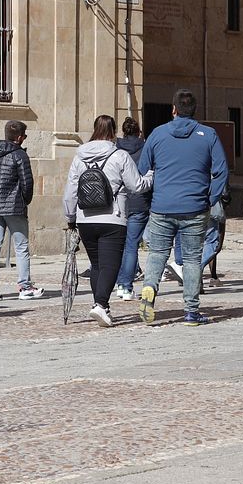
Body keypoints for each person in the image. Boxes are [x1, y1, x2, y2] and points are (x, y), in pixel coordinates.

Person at [137, 89, 229, 326]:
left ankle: (149, 289)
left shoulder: (157, 134)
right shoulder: (209, 135)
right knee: (191, 259)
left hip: (162, 206)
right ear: (194, 110)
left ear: (174, 110)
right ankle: (191, 311)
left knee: (157, 253)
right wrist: (211, 197)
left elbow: (143, 167)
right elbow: (221, 170)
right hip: (195, 206)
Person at [63, 115, 152, 327]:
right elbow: (137, 185)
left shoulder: (79, 157)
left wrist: (70, 218)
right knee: (110, 265)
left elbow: (70, 193)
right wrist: (151, 175)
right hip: (113, 218)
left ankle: (100, 305)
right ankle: (101, 305)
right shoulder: (119, 155)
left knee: (97, 265)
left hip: (85, 219)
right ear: (113, 131)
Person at [0, 120, 44, 302]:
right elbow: (27, 183)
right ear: (18, 137)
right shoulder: (19, 155)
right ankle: (25, 287)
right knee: (21, 247)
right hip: (14, 206)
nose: (24, 139)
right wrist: (25, 200)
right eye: (24, 136)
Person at [114, 117, 151, 301]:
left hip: (119, 202)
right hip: (139, 202)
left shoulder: (116, 148)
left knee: (119, 245)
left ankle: (120, 283)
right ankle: (125, 286)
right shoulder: (145, 149)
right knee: (131, 246)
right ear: (139, 132)